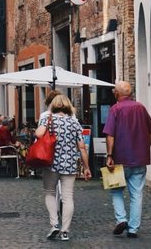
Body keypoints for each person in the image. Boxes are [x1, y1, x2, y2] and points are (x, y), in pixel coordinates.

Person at [104, 80, 151, 239]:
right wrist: (144, 147)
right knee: (137, 194)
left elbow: (110, 136)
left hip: (120, 159)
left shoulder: (115, 109)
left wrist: (110, 155)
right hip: (139, 159)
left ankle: (121, 219)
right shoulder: (140, 107)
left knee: (116, 190)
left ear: (116, 93)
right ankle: (133, 228)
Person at [36, 94, 91, 242]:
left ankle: (54, 224)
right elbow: (82, 147)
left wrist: (46, 126)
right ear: (68, 106)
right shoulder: (74, 123)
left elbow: (38, 134)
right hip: (70, 164)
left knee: (49, 192)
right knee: (68, 197)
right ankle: (65, 231)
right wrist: (86, 167)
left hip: (51, 163)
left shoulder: (47, 119)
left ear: (52, 105)